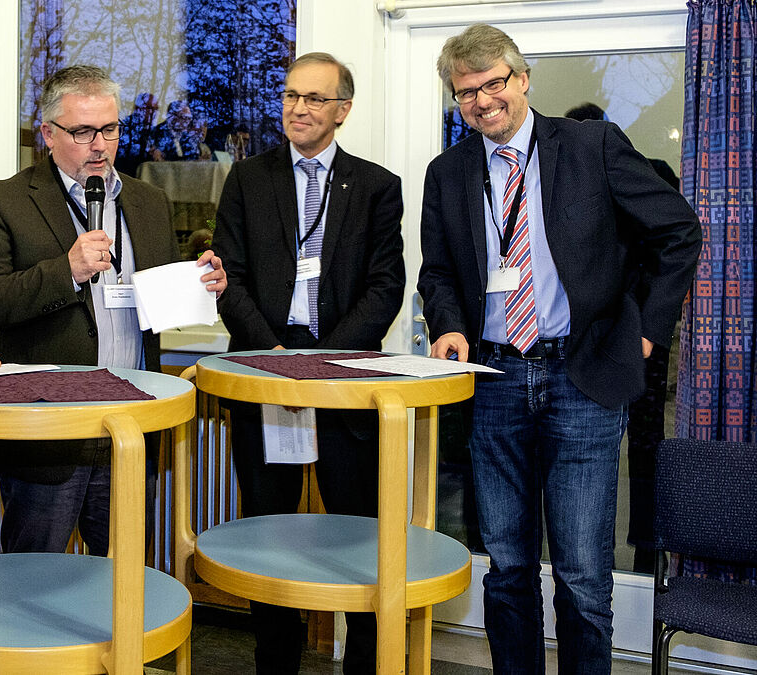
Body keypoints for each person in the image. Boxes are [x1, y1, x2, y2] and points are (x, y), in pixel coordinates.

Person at [417, 24, 701, 673]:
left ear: (522, 79)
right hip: (492, 380)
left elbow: (678, 230)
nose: (484, 101)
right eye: (467, 92)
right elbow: (436, 273)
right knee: (508, 568)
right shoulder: (448, 173)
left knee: (580, 577)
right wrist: (449, 323)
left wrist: (648, 329)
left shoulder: (590, 145)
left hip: (582, 375)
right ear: (456, 100)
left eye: (494, 83)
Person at [0, 64, 226, 556]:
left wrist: (201, 286)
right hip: (46, 433)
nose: (99, 144)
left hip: (130, 426)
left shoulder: (149, 202)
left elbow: (152, 305)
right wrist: (66, 270)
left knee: (124, 585)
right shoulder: (5, 201)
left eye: (110, 129)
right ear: (49, 134)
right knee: (34, 587)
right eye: (82, 131)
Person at [211, 51, 406, 674]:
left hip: (344, 380)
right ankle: (277, 664)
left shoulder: (376, 185)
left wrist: (327, 364)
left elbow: (386, 286)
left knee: (357, 539)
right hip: (265, 367)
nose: (298, 108)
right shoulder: (247, 177)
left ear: (342, 110)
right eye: (292, 95)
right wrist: (270, 354)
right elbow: (228, 274)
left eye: (315, 99)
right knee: (269, 537)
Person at [565, 102, 681, 575]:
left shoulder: (649, 172)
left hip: (637, 336)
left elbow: (672, 242)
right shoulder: (561, 185)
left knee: (648, 449)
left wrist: (651, 327)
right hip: (586, 341)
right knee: (589, 452)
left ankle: (648, 555)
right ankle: (610, 553)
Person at [116, 92, 159, 176]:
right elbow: (123, 157)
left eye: (155, 109)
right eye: (148, 108)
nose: (152, 112)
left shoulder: (153, 131)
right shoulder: (125, 129)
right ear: (137, 109)